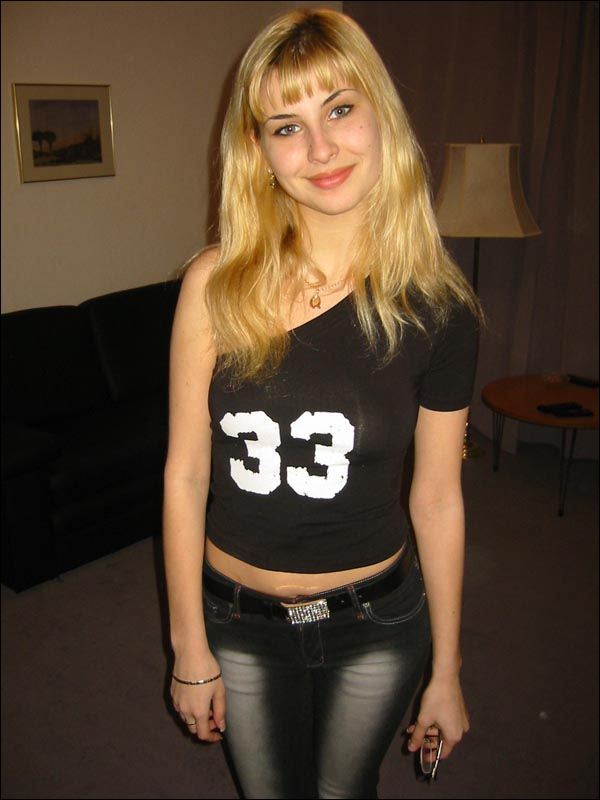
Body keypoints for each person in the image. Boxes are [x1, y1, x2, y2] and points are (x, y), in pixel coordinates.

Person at [163, 7, 482, 799]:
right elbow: (186, 477)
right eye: (287, 126)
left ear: (381, 115)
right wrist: (188, 647)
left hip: (374, 622)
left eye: (340, 109)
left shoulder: (438, 307)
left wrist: (447, 671)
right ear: (260, 151)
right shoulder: (213, 286)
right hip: (236, 619)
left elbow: (438, 498)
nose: (319, 148)